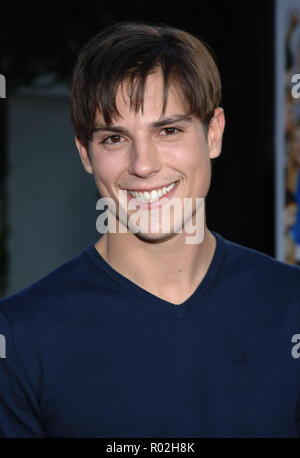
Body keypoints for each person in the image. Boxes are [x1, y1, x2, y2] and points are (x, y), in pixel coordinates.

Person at [0, 21, 300, 439]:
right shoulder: (21, 337)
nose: (143, 164)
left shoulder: (291, 306)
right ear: (85, 153)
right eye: (114, 138)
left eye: (169, 130)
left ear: (213, 134)